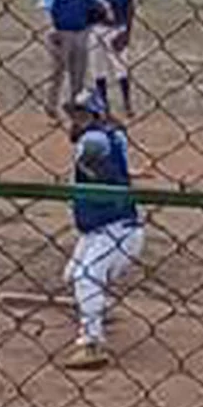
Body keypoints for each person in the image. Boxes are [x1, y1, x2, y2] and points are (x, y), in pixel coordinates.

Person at [61, 89, 143, 371]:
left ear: (96, 115)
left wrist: (90, 161)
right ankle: (96, 310)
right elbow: (114, 163)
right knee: (72, 276)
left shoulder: (94, 138)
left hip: (117, 229)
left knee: (85, 277)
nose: (76, 121)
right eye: (74, 115)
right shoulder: (113, 135)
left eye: (82, 115)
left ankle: (91, 343)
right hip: (99, 229)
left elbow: (96, 152)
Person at [41, 0, 114, 117]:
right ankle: (51, 108)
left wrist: (107, 8)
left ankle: (75, 109)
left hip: (81, 32)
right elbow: (46, 7)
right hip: (61, 33)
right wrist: (51, 28)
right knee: (57, 72)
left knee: (78, 74)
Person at [89, 0, 136, 116]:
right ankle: (104, 104)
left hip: (117, 29)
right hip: (97, 29)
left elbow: (130, 8)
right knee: (98, 68)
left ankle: (127, 104)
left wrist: (126, 33)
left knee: (121, 68)